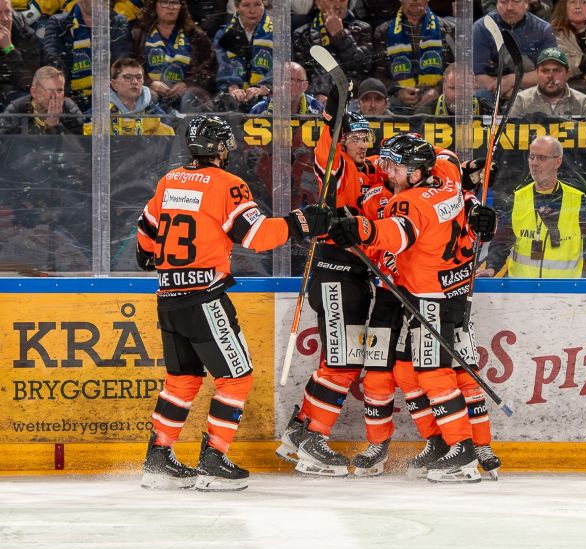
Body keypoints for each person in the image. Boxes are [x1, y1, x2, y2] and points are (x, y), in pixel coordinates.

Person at [135, 115, 333, 491]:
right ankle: (214, 459)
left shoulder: (170, 180)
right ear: (220, 148)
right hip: (204, 299)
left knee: (182, 379)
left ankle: (158, 459)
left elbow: (146, 228)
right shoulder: (228, 184)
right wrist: (301, 223)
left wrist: (147, 254)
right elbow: (256, 235)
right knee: (236, 378)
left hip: (168, 298)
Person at [325, 135, 487, 483]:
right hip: (428, 288)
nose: (386, 170)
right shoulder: (445, 171)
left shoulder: (409, 202)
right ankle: (442, 444)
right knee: (403, 372)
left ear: (416, 173)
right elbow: (449, 161)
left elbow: (393, 235)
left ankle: (465, 449)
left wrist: (358, 229)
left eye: (394, 166)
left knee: (435, 373)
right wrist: (472, 178)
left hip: (428, 295)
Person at [275, 109, 380, 477]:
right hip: (335, 277)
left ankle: (299, 432)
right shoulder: (339, 165)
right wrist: (330, 121)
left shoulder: (370, 169)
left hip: (354, 278)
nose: (363, 144)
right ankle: (313, 441)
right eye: (355, 138)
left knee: (337, 362)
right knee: (341, 364)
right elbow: (326, 153)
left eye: (366, 138)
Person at [480, 134, 586, 278]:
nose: (534, 163)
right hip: (522, 290)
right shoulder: (517, 198)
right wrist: (492, 267)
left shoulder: (576, 200)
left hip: (563, 291)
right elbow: (501, 242)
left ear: (557, 161)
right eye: (532, 157)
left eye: (541, 158)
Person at [41, 0, 132, 112]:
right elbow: (53, 60)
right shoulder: (58, 22)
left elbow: (121, 61)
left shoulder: (118, 22)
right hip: (70, 97)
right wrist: (66, 96)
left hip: (109, 96)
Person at [131, 0, 217, 114]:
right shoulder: (139, 33)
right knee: (146, 95)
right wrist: (149, 83)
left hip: (187, 89)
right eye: (164, 2)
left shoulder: (195, 35)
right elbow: (128, 64)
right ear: (155, 5)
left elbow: (209, 67)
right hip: (149, 87)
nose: (170, 7)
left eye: (175, 3)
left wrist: (187, 83)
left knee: (194, 97)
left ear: (181, 7)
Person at [473, 0, 558, 105]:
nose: (509, 7)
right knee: (480, 95)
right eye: (503, 2)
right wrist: (509, 92)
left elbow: (549, 73)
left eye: (516, 1)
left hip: (531, 94)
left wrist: (511, 80)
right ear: (497, 3)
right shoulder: (481, 28)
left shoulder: (543, 30)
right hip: (492, 93)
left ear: (526, 3)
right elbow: (477, 76)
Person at [372, 0, 452, 110]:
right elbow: (379, 77)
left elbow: (457, 72)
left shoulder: (449, 29)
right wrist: (398, 91)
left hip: (440, 104)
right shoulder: (383, 32)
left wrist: (437, 91)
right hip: (398, 106)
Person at [292, 0, 373, 97]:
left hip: (352, 98)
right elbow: (302, 78)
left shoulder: (363, 29)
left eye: (342, 0)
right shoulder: (303, 34)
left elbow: (364, 68)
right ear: (318, 3)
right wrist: (319, 94)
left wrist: (340, 36)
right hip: (317, 99)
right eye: (331, 0)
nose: (338, 5)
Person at [212, 0, 272, 111]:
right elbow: (222, 66)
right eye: (246, 5)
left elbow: (284, 66)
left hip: (269, 95)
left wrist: (266, 87)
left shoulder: (277, 33)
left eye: (257, 4)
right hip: (234, 98)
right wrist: (232, 86)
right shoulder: (224, 34)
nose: (252, 11)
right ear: (237, 7)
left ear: (264, 4)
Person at [508, 47, 586, 118]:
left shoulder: (584, 104)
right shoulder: (521, 101)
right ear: (537, 73)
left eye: (556, 70)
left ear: (567, 74)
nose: (550, 76)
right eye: (545, 71)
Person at [0, 65, 85, 135]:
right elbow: (3, 143)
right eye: (50, 90)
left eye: (59, 90)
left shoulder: (69, 108)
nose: (55, 96)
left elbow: (81, 146)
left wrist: (55, 126)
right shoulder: (17, 108)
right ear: (34, 92)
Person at [108, 56, 174, 136]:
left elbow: (170, 138)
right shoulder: (101, 112)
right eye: (128, 77)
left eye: (139, 77)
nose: (135, 82)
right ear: (114, 84)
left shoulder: (154, 112)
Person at [0, 0, 42, 110]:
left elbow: (28, 82)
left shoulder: (24, 32)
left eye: (8, 12)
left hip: (13, 92)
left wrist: (9, 49)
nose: (5, 19)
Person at [416, 63, 493, 116]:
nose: (458, 94)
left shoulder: (489, 113)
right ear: (444, 89)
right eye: (453, 88)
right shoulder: (424, 114)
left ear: (473, 90)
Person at [249, 61, 323, 116]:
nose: (284, 85)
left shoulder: (318, 110)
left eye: (290, 80)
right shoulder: (259, 110)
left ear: (304, 86)